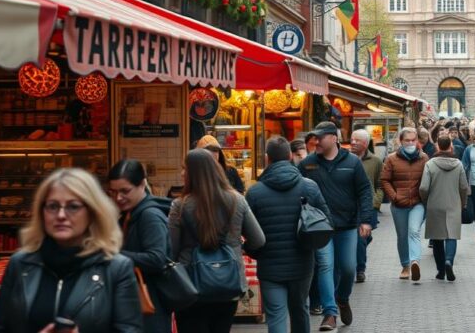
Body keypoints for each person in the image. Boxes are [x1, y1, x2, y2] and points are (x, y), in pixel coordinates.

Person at [0, 168, 142, 333]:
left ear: (92, 212)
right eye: (52, 206)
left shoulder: (116, 268)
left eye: (73, 206)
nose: (61, 215)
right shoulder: (20, 264)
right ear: (42, 213)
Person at [170, 149, 264, 333]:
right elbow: (258, 240)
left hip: (190, 285)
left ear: (193, 173)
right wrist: (238, 247)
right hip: (228, 284)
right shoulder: (237, 200)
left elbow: (171, 250)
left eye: (184, 169)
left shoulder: (180, 206)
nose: (182, 173)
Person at [245, 137, 330, 333]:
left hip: (269, 265)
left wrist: (254, 252)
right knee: (300, 309)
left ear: (267, 159)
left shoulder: (255, 192)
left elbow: (247, 232)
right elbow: (327, 222)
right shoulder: (309, 187)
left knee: (276, 314)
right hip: (302, 263)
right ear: (290, 156)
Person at [297, 122, 373, 331]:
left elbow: (365, 191)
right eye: (314, 138)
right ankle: (330, 313)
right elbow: (296, 188)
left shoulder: (352, 162)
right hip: (319, 228)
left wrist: (366, 220)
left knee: (348, 269)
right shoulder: (308, 164)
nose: (316, 142)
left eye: (320, 138)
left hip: (347, 225)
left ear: (334, 138)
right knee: (325, 266)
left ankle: (342, 298)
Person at [108, 159, 172, 333]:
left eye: (125, 191)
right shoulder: (129, 214)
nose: (118, 197)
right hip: (137, 305)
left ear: (143, 184)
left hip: (150, 307)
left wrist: (113, 254)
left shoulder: (149, 216)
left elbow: (157, 259)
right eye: (113, 192)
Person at [381, 127, 429, 281]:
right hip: (398, 204)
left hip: (417, 203)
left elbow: (428, 180)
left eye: (413, 140)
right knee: (402, 236)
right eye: (407, 140)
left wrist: (424, 197)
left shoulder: (424, 158)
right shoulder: (391, 159)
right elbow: (384, 180)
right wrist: (394, 197)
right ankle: (405, 266)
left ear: (417, 141)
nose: (410, 143)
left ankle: (415, 261)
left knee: (414, 231)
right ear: (400, 141)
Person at [420, 135, 470, 281]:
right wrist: (463, 203)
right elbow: (464, 187)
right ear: (451, 146)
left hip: (435, 205)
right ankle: (449, 261)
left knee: (437, 239)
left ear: (437, 146)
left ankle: (440, 270)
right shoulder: (458, 164)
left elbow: (423, 187)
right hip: (453, 204)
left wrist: (426, 201)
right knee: (451, 236)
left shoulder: (430, 164)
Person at [350, 129, 382, 284]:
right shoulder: (346, 159)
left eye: (357, 140)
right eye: (352, 139)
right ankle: (360, 269)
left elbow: (380, 184)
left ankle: (358, 263)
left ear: (365, 143)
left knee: (364, 238)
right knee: (360, 239)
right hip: (350, 206)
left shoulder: (375, 161)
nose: (353, 142)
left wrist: (376, 202)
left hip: (368, 206)